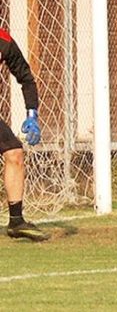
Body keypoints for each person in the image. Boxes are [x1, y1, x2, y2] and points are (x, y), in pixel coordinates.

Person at [0, 29, 48, 241]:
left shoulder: (4, 41)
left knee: (14, 152)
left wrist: (32, 116)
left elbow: (26, 78)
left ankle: (16, 221)